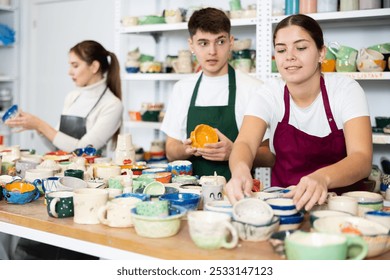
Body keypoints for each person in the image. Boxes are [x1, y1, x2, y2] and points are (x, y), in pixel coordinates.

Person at [226, 14, 372, 211]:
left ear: (321, 53)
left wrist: (323, 177)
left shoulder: (345, 89)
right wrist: (240, 170)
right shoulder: (269, 93)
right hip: (287, 205)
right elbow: (244, 143)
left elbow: (362, 158)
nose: (289, 56)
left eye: (301, 47)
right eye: (281, 50)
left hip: (340, 207)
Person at [160, 7, 274, 181]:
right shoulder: (182, 89)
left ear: (231, 42)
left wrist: (234, 152)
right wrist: (186, 150)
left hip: (235, 191)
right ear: (191, 45)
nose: (212, 51)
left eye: (220, 42)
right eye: (203, 43)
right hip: (190, 191)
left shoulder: (254, 88)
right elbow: (170, 151)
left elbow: (269, 156)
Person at [5, 40, 123, 153]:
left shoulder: (112, 105)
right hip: (63, 170)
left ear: (94, 67)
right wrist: (38, 128)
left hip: (91, 172)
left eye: (75, 66)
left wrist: (40, 124)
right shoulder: (72, 97)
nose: (69, 72)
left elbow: (82, 150)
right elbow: (56, 147)